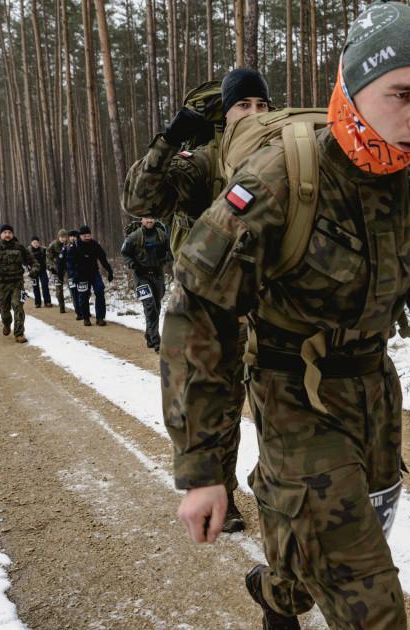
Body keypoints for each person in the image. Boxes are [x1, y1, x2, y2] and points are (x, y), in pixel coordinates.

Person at [164, 3, 410, 630]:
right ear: (354, 87)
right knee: (369, 590)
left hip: (373, 389)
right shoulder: (278, 181)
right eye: (401, 95)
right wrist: (203, 471)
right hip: (288, 395)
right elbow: (198, 315)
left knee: (347, 536)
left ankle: (279, 587)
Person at [122, 66, 272, 534]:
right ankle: (221, 492)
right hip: (214, 307)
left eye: (261, 106)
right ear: (224, 114)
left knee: (278, 406)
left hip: (268, 305)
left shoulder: (280, 155)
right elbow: (142, 202)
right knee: (219, 407)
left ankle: (276, 495)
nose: (253, 114)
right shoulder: (205, 161)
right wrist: (168, 141)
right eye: (242, 106)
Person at [0, 224, 38, 343]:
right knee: (4, 308)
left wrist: (34, 270)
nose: (7, 235)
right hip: (1, 284)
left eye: (9, 232)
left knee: (18, 306)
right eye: (5, 232)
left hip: (17, 282)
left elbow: (33, 261)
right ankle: (6, 322)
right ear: (1, 234)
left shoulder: (19, 247)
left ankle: (19, 333)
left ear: (12, 234)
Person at [121, 218, 172, 352]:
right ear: (141, 219)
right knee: (149, 306)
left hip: (157, 275)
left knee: (156, 305)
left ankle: (149, 335)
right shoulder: (134, 237)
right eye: (146, 218)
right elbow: (125, 254)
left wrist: (164, 256)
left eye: (151, 217)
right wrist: (134, 266)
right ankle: (156, 340)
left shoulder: (162, 235)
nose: (149, 220)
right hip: (141, 276)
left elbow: (172, 252)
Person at [68, 225, 113, 326]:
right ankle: (86, 317)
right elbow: (69, 262)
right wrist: (73, 275)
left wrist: (109, 271)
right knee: (83, 296)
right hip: (81, 274)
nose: (87, 237)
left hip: (94, 272)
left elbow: (102, 258)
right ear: (80, 236)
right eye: (85, 236)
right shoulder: (75, 245)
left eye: (89, 235)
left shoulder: (94, 244)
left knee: (99, 291)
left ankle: (100, 318)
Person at [59, 229, 84, 319]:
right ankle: (78, 312)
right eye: (71, 237)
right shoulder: (66, 247)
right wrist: (59, 273)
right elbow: (60, 261)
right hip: (70, 274)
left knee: (83, 293)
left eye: (74, 236)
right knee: (74, 293)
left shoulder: (81, 245)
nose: (72, 238)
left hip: (81, 273)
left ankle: (83, 310)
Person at [45, 229, 68, 314]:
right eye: (62, 237)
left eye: (65, 237)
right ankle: (61, 306)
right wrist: (51, 268)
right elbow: (48, 257)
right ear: (58, 237)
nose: (63, 239)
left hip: (66, 268)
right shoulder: (53, 245)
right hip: (56, 269)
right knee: (59, 288)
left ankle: (76, 306)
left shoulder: (68, 245)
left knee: (71, 286)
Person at [28, 236, 52, 308]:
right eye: (34, 242)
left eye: (37, 242)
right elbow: (23, 260)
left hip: (42, 270)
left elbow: (47, 259)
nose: (36, 244)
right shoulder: (28, 251)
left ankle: (47, 302)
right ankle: (37, 303)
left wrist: (49, 268)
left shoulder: (42, 250)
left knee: (45, 285)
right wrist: (27, 264)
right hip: (33, 271)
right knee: (35, 287)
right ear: (31, 243)